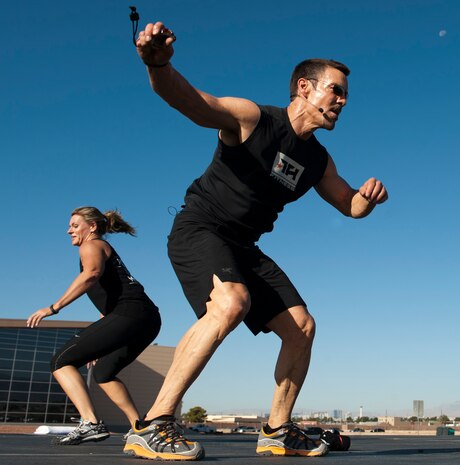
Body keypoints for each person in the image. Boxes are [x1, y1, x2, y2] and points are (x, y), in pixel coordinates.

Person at [124, 21, 388, 461]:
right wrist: (158, 65)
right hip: (200, 228)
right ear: (304, 87)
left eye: (345, 96)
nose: (342, 102)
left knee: (301, 327)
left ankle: (277, 431)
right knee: (230, 302)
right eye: (335, 91)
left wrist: (368, 198)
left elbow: (349, 206)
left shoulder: (318, 159)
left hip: (245, 246)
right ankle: (155, 423)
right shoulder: (253, 119)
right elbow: (193, 103)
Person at [27, 207, 161, 445]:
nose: (69, 230)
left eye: (75, 225)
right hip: (147, 318)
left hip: (130, 314)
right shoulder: (100, 247)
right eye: (69, 226)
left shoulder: (91, 246)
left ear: (93, 227)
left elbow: (91, 275)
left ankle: (90, 423)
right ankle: (139, 428)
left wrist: (53, 308)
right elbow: (110, 296)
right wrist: (97, 343)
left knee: (60, 361)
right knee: (104, 373)